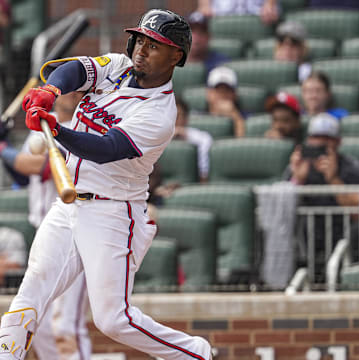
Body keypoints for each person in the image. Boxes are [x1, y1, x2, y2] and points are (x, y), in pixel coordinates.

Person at [0, 8, 213, 360]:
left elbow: (106, 148)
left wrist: (55, 129)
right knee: (30, 293)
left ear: (176, 55)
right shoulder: (118, 67)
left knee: (113, 320)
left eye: (154, 45)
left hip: (113, 213)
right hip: (68, 206)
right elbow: (75, 70)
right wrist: (51, 91)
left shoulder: (160, 114)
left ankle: (194, 353)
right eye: (140, 40)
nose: (142, 50)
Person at [0, 93, 92, 360]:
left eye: (79, 90)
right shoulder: (38, 131)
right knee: (38, 325)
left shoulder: (80, 132)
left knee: (65, 326)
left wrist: (2, 148)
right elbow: (22, 176)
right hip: (46, 236)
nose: (72, 94)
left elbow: (41, 167)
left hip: (76, 236)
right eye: (68, 90)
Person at [284, 112, 359, 279]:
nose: (319, 143)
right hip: (305, 238)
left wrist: (332, 178)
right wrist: (298, 179)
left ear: (337, 142)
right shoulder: (298, 166)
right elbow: (282, 211)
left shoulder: (351, 167)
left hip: (344, 236)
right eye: (315, 138)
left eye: (326, 139)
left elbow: (357, 212)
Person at [206, 66, 245, 137]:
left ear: (235, 94)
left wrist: (236, 117)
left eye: (227, 90)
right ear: (209, 93)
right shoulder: (198, 116)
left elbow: (243, 144)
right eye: (218, 90)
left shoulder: (245, 118)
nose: (223, 95)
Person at [186, 11, 229, 75]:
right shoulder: (172, 63)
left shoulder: (221, 64)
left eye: (202, 32)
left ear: (209, 37)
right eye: (191, 31)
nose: (196, 37)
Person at [197, 0, 279, 24]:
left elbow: (271, 8)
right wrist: (204, 5)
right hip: (221, 18)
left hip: (259, 20)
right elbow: (204, 8)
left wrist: (270, 4)